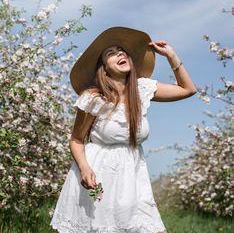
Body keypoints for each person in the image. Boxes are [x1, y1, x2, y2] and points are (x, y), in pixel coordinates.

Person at [50, 26, 197, 233]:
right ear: (104, 68)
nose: (120, 53)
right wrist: (84, 168)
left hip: (134, 174)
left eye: (122, 50)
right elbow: (76, 139)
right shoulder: (93, 98)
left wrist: (171, 55)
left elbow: (188, 89)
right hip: (100, 173)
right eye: (111, 53)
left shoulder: (142, 89)